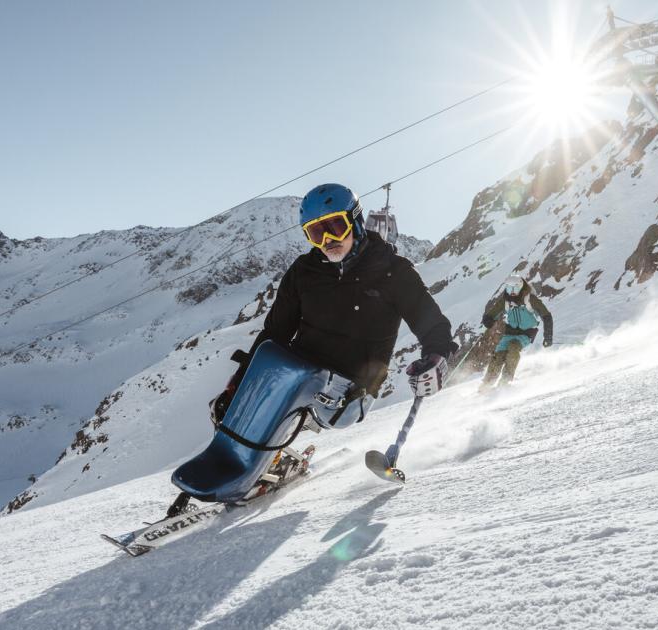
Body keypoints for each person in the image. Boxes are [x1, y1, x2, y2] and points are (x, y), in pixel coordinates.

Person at [166, 183, 456, 516]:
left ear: (356, 223)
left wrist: (437, 357)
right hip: (296, 372)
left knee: (290, 377)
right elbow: (273, 334)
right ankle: (241, 463)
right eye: (315, 233)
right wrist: (239, 382)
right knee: (265, 374)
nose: (327, 241)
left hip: (351, 391)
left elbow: (433, 325)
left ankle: (239, 476)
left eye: (334, 227)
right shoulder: (305, 273)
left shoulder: (393, 272)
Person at [479, 275, 553, 392]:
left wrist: (548, 335)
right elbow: (492, 313)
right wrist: (488, 319)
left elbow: (546, 316)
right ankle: (486, 384)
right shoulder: (506, 300)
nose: (512, 292)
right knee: (499, 354)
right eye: (509, 289)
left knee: (513, 347)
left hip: (527, 332)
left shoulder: (530, 299)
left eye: (515, 289)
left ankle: (505, 381)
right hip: (510, 332)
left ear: (521, 287)